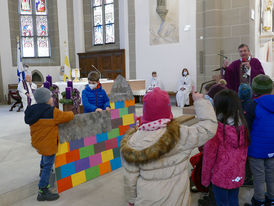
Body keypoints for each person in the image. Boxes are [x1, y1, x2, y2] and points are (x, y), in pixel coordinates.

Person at [121, 87, 218, 206]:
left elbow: (130, 178)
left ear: (145, 111)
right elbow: (208, 128)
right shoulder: (181, 134)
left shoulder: (133, 142)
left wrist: (131, 200)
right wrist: (200, 101)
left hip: (148, 199)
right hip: (177, 199)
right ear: (168, 109)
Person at [24, 87, 74, 201]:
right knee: (48, 165)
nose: (52, 98)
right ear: (47, 99)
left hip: (38, 142)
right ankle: (43, 190)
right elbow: (67, 117)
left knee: (44, 158)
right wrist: (72, 112)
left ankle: (42, 170)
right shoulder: (52, 111)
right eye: (50, 96)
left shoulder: (31, 110)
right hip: (49, 144)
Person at [202, 90, 249, 206]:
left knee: (222, 203)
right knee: (233, 200)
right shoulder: (243, 126)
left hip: (220, 177)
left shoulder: (216, 129)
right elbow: (244, 153)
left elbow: (209, 157)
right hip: (237, 174)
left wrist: (205, 179)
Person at [244, 75, 274, 206]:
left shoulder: (252, 105)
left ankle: (259, 200)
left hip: (256, 149)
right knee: (271, 174)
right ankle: (272, 198)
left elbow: (247, 127)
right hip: (272, 147)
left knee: (258, 176)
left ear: (254, 89)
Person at [238, 84, 256, 187]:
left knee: (244, 158)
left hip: (241, 136)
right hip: (252, 135)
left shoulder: (236, 105)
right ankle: (249, 177)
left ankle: (246, 177)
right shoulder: (254, 104)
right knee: (249, 158)